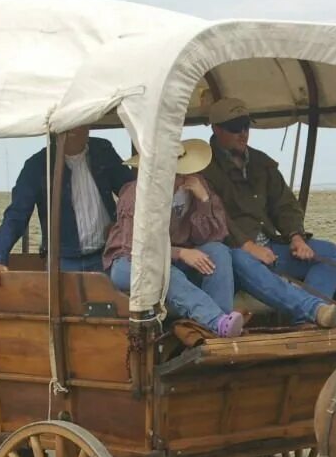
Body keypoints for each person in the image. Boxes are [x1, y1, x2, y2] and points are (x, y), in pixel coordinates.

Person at [198, 97, 336, 328]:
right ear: (217, 129)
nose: (243, 133)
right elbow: (213, 215)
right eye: (235, 128)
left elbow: (284, 204)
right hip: (233, 253)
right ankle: (313, 310)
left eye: (246, 126)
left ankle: (305, 322)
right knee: (237, 258)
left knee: (330, 254)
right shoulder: (204, 167)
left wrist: (296, 237)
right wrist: (248, 246)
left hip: (270, 248)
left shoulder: (260, 163)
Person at [104, 139, 244, 338]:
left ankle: (220, 324)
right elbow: (135, 250)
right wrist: (181, 253)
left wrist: (204, 200)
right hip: (127, 262)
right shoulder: (135, 194)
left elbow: (212, 236)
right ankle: (216, 321)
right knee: (165, 272)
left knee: (218, 251)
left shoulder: (192, 188)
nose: (181, 177)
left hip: (168, 257)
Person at [0, 127, 134, 282]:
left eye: (83, 122)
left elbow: (130, 192)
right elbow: (16, 215)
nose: (80, 128)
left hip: (106, 257)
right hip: (63, 262)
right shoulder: (38, 166)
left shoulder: (103, 151)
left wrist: (121, 231)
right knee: (66, 306)